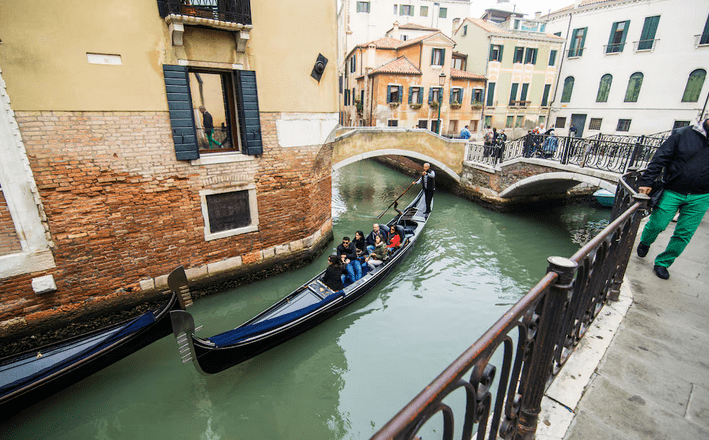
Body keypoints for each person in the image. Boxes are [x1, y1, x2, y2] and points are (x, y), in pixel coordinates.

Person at [636, 116, 709, 280]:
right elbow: (660, 157)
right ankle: (645, 241)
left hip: (702, 196)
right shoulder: (683, 134)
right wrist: (647, 181)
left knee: (684, 233)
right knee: (657, 224)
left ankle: (663, 263)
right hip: (673, 190)